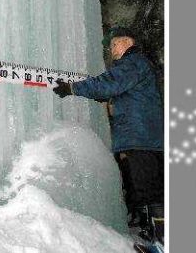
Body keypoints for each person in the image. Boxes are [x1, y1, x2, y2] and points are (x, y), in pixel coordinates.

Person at [53, 27, 164, 241]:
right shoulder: (139, 66)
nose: (111, 50)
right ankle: (154, 235)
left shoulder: (132, 62)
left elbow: (108, 84)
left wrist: (72, 88)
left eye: (114, 44)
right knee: (147, 190)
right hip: (143, 139)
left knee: (149, 191)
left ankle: (162, 239)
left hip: (141, 140)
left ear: (128, 42)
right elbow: (120, 95)